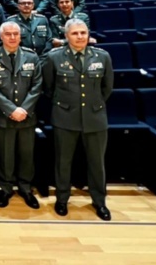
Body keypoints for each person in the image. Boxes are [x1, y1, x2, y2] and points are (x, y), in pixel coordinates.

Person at [42, 19, 114, 221]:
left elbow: (107, 88)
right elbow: (48, 88)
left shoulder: (102, 56)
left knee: (97, 163)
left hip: (95, 117)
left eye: (83, 32)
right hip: (65, 117)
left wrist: (93, 104)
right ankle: (62, 199)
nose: (80, 36)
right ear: (66, 36)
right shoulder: (54, 57)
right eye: (75, 33)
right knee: (63, 161)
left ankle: (99, 201)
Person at [0, 22, 42, 209]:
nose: (12, 37)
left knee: (27, 155)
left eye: (16, 33)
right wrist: (11, 110)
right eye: (8, 34)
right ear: (1, 37)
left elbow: (37, 85)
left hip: (27, 116)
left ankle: (25, 188)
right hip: (3, 116)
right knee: (5, 155)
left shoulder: (31, 56)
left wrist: (24, 109)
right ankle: (6, 188)